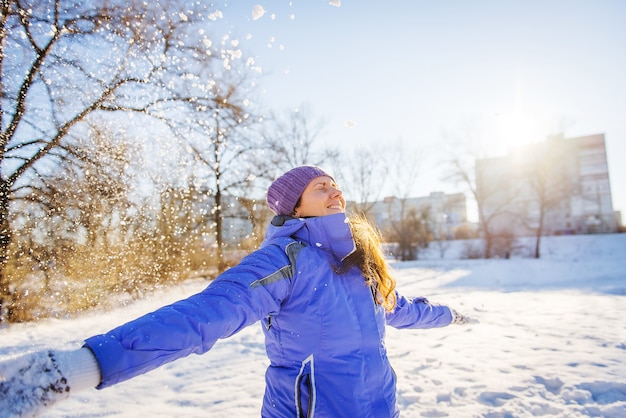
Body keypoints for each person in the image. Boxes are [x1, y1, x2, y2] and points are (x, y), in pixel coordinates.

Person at [0, 165, 477, 417]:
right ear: (295, 207)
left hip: (379, 405)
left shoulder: (360, 260)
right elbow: (207, 314)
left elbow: (401, 309)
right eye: (319, 187)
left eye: (334, 184)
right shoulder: (284, 260)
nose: (334, 192)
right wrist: (86, 365)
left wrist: (451, 316)